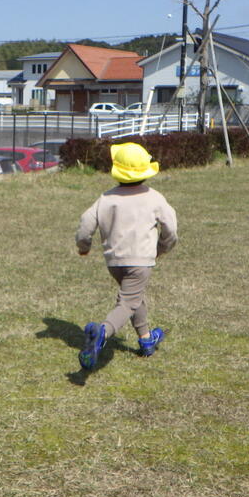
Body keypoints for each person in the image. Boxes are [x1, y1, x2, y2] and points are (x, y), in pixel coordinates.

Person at [75, 143, 178, 370]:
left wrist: (84, 245)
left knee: (133, 298)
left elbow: (85, 224)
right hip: (141, 261)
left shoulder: (106, 198)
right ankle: (103, 332)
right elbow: (170, 228)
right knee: (128, 301)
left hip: (114, 262)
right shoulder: (154, 198)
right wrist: (161, 249)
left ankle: (146, 340)